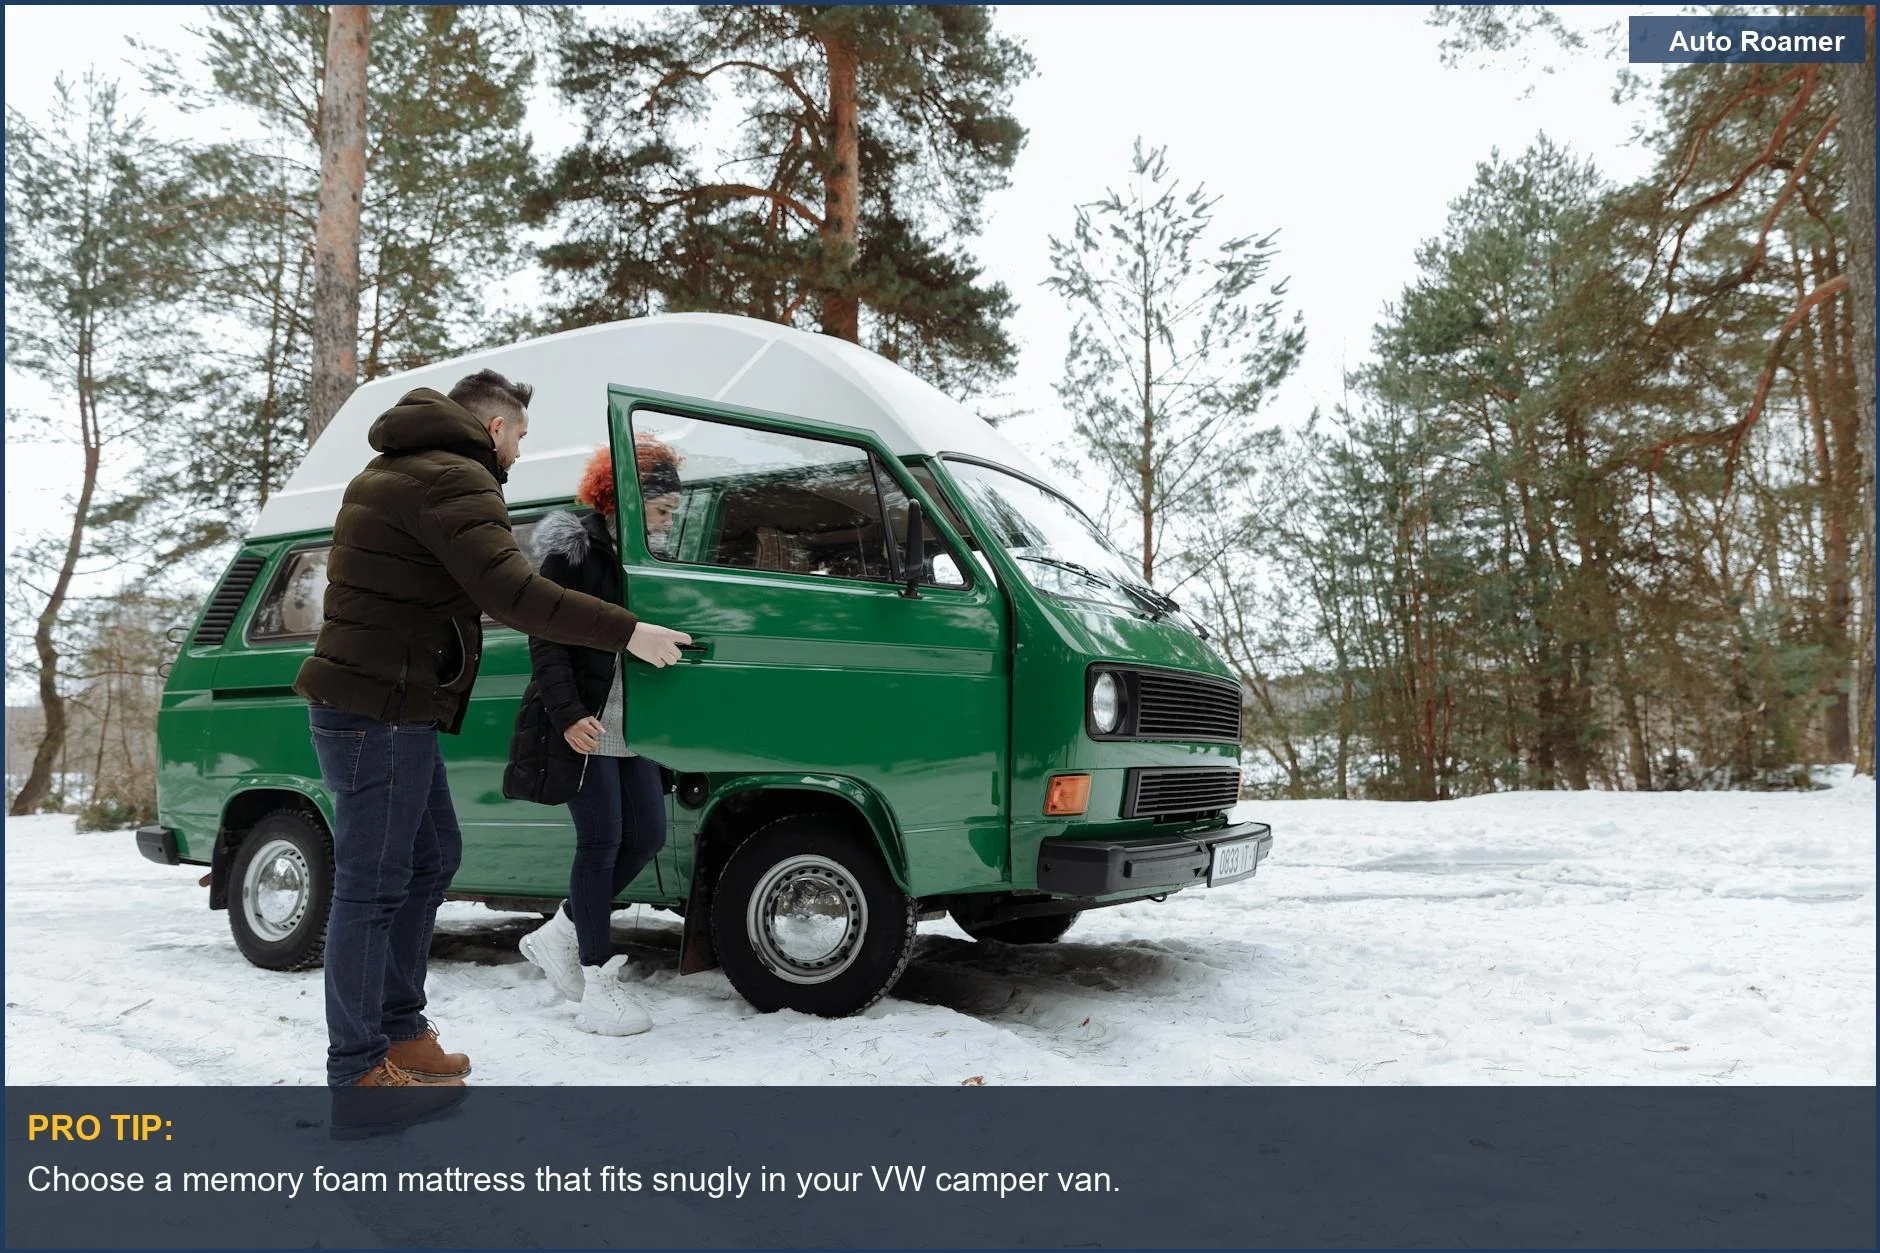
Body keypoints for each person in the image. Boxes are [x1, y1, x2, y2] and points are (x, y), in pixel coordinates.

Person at [294, 370, 692, 1095]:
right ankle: (358, 1067)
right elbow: (514, 593)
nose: (515, 459)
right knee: (373, 886)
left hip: (393, 706)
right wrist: (628, 629)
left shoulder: (398, 468)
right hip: (378, 710)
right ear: (496, 428)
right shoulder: (456, 477)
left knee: (431, 857)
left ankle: (403, 1030)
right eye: (519, 441)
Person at [503, 438, 685, 1035]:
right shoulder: (575, 548)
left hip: (638, 723)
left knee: (649, 834)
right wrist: (566, 714)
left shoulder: (651, 559)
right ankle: (596, 979)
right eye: (661, 510)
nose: (669, 519)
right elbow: (544, 634)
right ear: (627, 500)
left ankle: (560, 930)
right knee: (601, 840)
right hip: (587, 718)